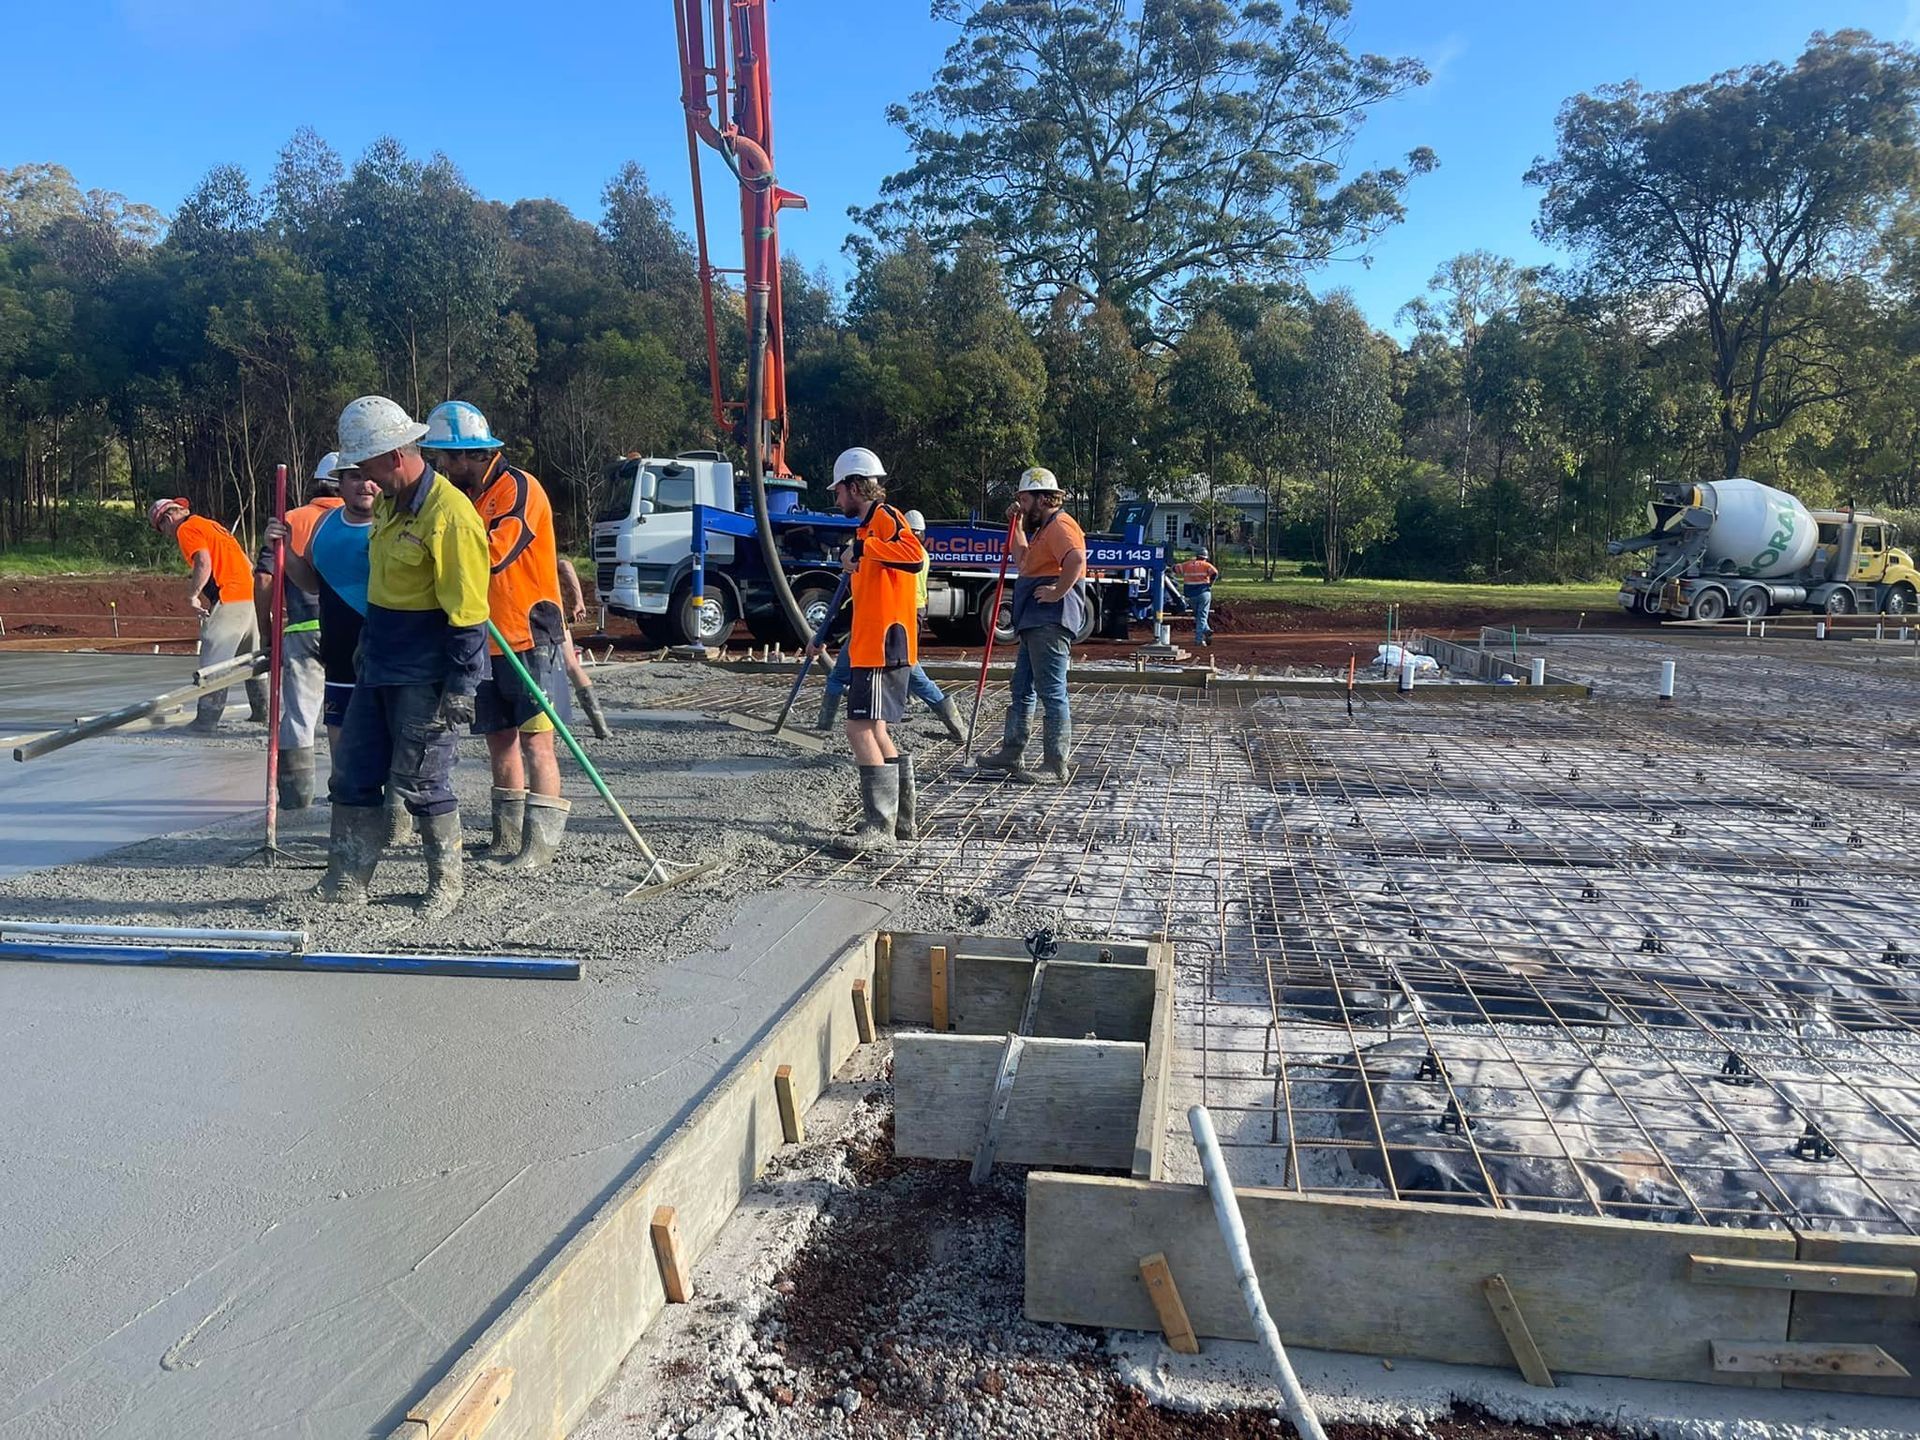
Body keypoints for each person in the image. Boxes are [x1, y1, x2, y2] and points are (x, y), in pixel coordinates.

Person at [315, 396, 490, 916]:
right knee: (354, 772)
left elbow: (467, 610)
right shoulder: (392, 504)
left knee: (423, 779)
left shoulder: (451, 517)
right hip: (380, 661)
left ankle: (445, 885)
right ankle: (346, 879)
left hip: (426, 669)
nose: (364, 480)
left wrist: (462, 683)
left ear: (395, 456)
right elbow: (384, 587)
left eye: (367, 466)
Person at [420, 401, 572, 871]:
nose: (441, 467)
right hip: (485, 638)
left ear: (471, 455)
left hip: (530, 634)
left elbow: (494, 553)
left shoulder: (518, 489)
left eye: (446, 458)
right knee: (499, 741)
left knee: (537, 742)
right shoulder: (467, 498)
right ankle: (507, 838)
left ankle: (539, 848)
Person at [806, 447, 926, 851]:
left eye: (839, 490)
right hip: (872, 645)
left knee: (856, 728)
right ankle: (902, 821)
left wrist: (864, 551)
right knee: (875, 729)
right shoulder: (865, 530)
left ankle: (879, 825)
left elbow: (915, 557)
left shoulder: (885, 519)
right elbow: (861, 599)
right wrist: (824, 636)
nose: (836, 498)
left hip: (883, 645)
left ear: (856, 486)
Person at [816, 508, 966, 744]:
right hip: (906, 619)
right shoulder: (919, 555)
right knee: (911, 675)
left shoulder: (896, 555)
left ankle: (823, 728)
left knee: (848, 678)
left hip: (886, 623)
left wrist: (826, 635)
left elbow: (864, 597)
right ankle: (955, 723)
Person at [975, 466, 1086, 784]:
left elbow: (1076, 560)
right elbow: (1022, 561)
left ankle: (1055, 765)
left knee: (1052, 692)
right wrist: (1016, 524)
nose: (1020, 504)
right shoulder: (1042, 529)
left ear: (1041, 498)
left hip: (1049, 622)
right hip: (1034, 621)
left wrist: (1056, 591)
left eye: (1023, 499)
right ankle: (1012, 753)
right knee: (1022, 688)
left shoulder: (1061, 526)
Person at [253, 454, 345, 807]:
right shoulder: (363, 517)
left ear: (316, 483)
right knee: (351, 713)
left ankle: (295, 800)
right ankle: (349, 794)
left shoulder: (291, 520)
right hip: (350, 629)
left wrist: (267, 630)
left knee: (299, 715)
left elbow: (264, 578)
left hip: (303, 628)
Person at [149, 497, 268, 733]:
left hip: (231, 596)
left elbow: (203, 562)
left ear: (167, 519)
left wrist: (192, 595)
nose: (166, 534)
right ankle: (262, 713)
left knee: (214, 660)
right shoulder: (211, 525)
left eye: (161, 529)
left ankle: (206, 722)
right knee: (252, 659)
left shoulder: (186, 529)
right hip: (251, 596)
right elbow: (245, 561)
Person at [555, 554, 612, 739]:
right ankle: (600, 726)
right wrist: (578, 601)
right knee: (571, 665)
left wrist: (579, 601)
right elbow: (566, 565)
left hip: (540, 614)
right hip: (550, 612)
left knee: (569, 665)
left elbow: (565, 565)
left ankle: (600, 725)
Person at [1176, 547, 1220, 647]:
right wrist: (1210, 584)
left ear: (1196, 556)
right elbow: (1215, 573)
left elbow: (1175, 569)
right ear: (1206, 557)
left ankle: (1207, 630)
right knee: (1202, 616)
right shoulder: (1206, 565)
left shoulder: (1187, 565)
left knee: (1198, 616)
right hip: (1204, 593)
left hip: (1190, 595)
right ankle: (1199, 639)